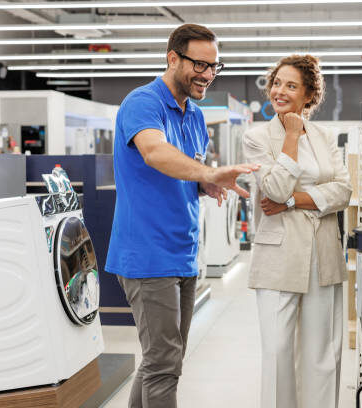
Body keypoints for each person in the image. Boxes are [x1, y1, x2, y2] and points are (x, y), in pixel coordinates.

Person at [105, 24, 259, 408]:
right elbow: (154, 153)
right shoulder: (143, 102)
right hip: (147, 254)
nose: (207, 74)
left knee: (161, 362)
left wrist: (204, 183)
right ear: (172, 58)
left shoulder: (194, 115)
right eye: (199, 64)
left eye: (214, 66)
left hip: (185, 252)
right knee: (164, 366)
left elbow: (185, 169)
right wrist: (206, 173)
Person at [243, 55, 352, 408]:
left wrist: (293, 202)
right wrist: (290, 135)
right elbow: (274, 189)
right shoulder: (257, 137)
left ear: (308, 95)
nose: (280, 91)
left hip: (323, 253)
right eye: (277, 83)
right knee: (278, 352)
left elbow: (344, 191)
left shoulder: (324, 135)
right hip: (279, 255)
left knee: (322, 353)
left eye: (291, 85)